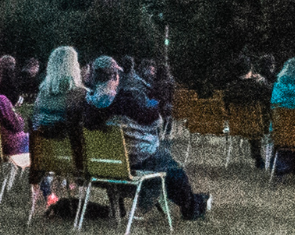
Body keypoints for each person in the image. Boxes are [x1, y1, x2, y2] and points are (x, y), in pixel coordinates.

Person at [84, 55, 208, 217]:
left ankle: (194, 201)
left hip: (103, 165)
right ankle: (192, 206)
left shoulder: (86, 104)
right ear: (115, 76)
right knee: (172, 168)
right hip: (136, 160)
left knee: (165, 163)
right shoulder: (125, 100)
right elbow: (156, 121)